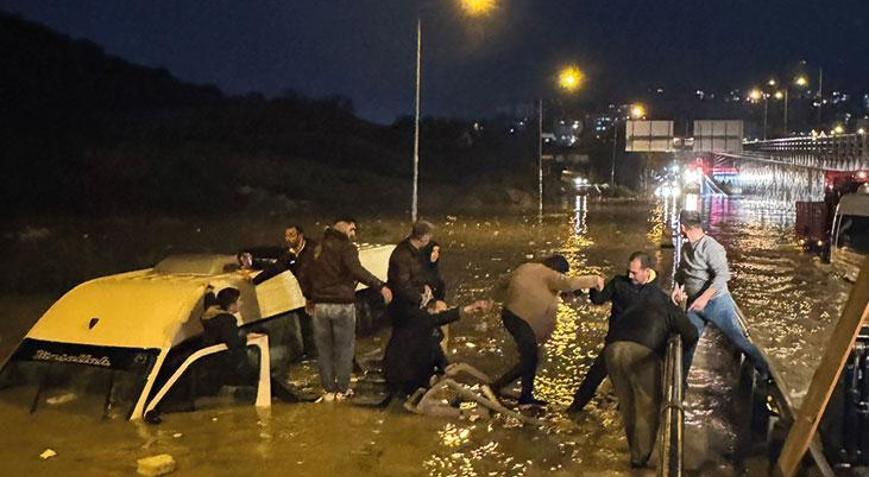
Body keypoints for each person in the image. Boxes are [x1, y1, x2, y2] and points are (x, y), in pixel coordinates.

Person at [602, 255, 699, 468]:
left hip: (613, 350)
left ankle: (634, 448)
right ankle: (640, 457)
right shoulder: (667, 305)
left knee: (628, 404)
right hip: (641, 352)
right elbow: (691, 334)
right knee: (647, 405)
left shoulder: (641, 302)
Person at [489, 255, 602, 407]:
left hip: (510, 315)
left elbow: (503, 282)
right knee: (530, 359)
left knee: (530, 358)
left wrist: (493, 300)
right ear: (557, 270)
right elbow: (567, 283)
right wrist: (594, 279)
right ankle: (497, 387)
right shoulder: (548, 274)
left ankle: (523, 394)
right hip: (521, 320)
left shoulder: (526, 267)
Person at [671, 210, 769, 376]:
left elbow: (723, 275)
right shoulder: (687, 248)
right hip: (696, 304)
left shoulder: (711, 247)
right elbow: (682, 271)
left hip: (717, 303)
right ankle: (681, 383)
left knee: (738, 340)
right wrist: (677, 286)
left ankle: (765, 371)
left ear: (682, 227)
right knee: (688, 340)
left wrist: (704, 298)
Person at [567, 252, 665, 414]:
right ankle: (575, 408)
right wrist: (595, 287)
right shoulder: (619, 283)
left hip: (638, 346)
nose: (630, 275)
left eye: (634, 272)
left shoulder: (656, 293)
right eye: (629, 271)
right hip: (616, 341)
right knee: (595, 375)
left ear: (646, 271)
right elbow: (599, 299)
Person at [308, 217, 393, 401]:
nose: (353, 234)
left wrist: (309, 297)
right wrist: (380, 285)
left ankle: (328, 390)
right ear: (344, 226)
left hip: (320, 306)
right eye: (352, 229)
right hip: (342, 305)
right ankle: (343, 388)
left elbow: (306, 273)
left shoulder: (317, 247)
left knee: (324, 349)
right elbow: (357, 270)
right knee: (344, 348)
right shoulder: (346, 248)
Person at [200, 287, 303, 402]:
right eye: (239, 301)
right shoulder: (227, 321)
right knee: (264, 379)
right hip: (230, 367)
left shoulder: (211, 315)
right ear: (232, 305)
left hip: (214, 366)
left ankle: (286, 399)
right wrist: (247, 337)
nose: (241, 303)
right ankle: (294, 401)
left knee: (264, 381)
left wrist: (209, 292)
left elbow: (210, 303)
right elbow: (233, 343)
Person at [384, 299, 491, 397]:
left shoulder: (433, 331)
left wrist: (445, 366)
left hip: (414, 370)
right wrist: (468, 308)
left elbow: (436, 349)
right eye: (441, 312)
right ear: (430, 310)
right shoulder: (418, 320)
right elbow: (441, 318)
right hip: (403, 373)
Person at [249, 225, 318, 358]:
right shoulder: (291, 254)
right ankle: (315, 354)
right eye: (286, 236)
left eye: (291, 235)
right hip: (310, 296)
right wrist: (254, 280)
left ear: (301, 235)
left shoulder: (314, 250)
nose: (288, 239)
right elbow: (275, 268)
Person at [387, 220, 435, 306]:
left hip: (414, 295)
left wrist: (424, 286)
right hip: (403, 301)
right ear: (423, 238)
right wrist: (420, 299)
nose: (430, 239)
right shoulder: (402, 255)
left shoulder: (416, 250)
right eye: (429, 236)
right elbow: (402, 285)